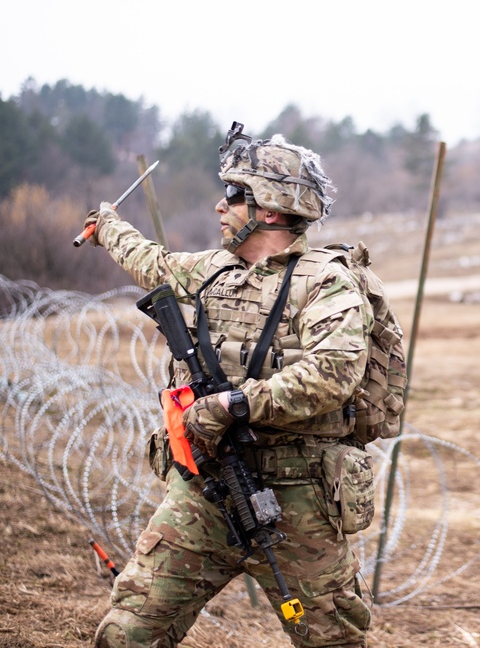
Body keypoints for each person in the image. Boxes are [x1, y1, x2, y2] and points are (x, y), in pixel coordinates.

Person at [87, 125, 374, 647]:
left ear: (267, 209)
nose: (220, 208)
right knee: (127, 633)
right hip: (204, 492)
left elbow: (335, 370)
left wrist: (237, 404)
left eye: (232, 196)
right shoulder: (213, 270)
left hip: (298, 501)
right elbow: (152, 261)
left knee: (333, 642)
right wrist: (108, 226)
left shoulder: (326, 282)